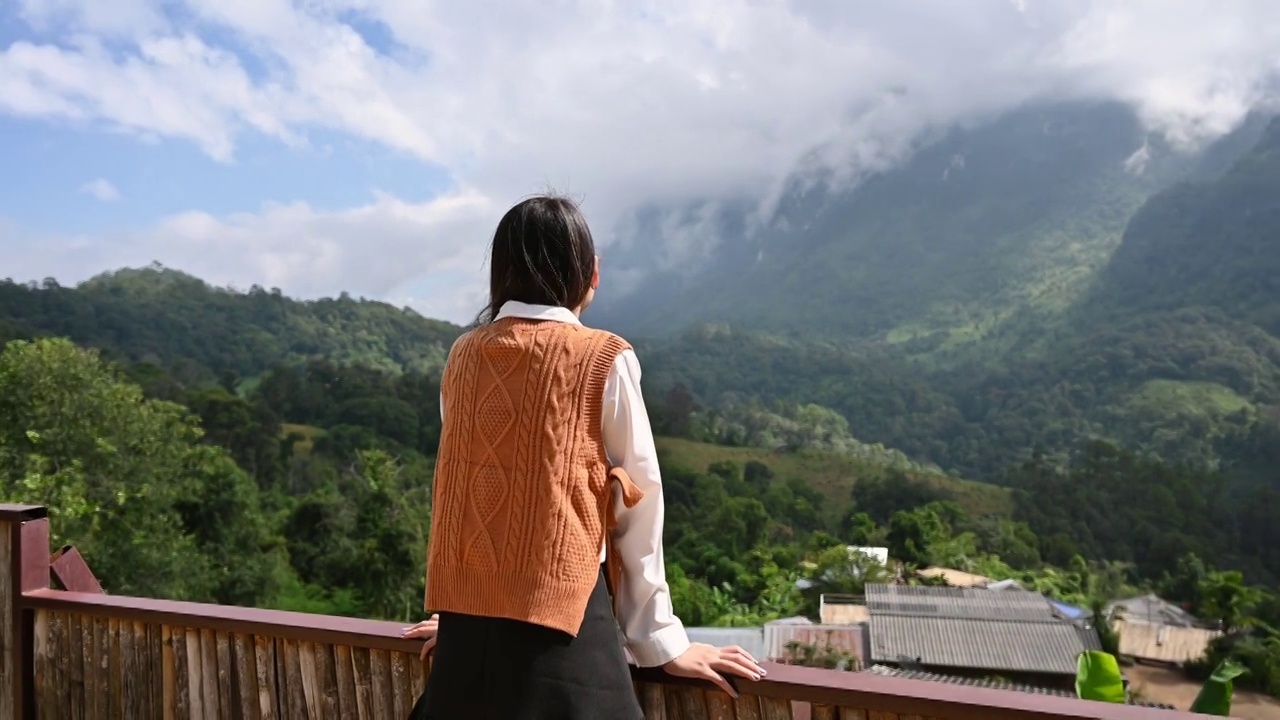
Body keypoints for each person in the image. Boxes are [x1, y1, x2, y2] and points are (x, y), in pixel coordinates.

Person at [400, 194, 764, 719]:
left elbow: (476, 489)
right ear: (590, 274)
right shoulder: (603, 358)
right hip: (563, 638)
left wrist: (463, 617)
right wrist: (661, 642)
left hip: (466, 646)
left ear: (500, 273)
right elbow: (638, 504)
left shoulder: (463, 356)